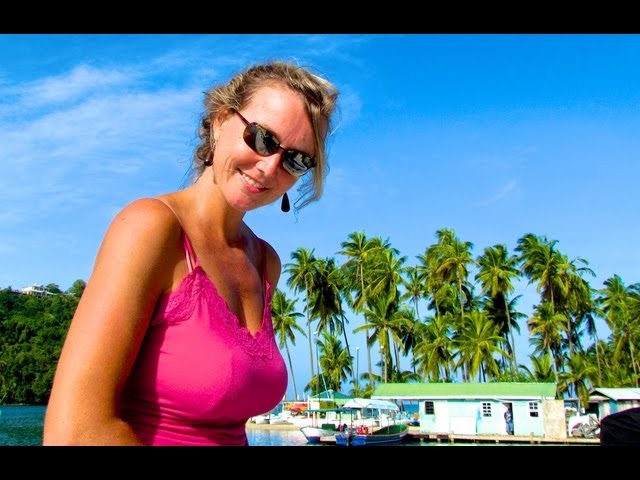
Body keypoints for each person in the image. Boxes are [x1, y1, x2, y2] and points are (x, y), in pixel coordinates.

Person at [43, 60, 339, 446]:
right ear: (219, 122)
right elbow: (76, 432)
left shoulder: (265, 262)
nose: (269, 168)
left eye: (296, 159)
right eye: (263, 139)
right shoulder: (151, 227)